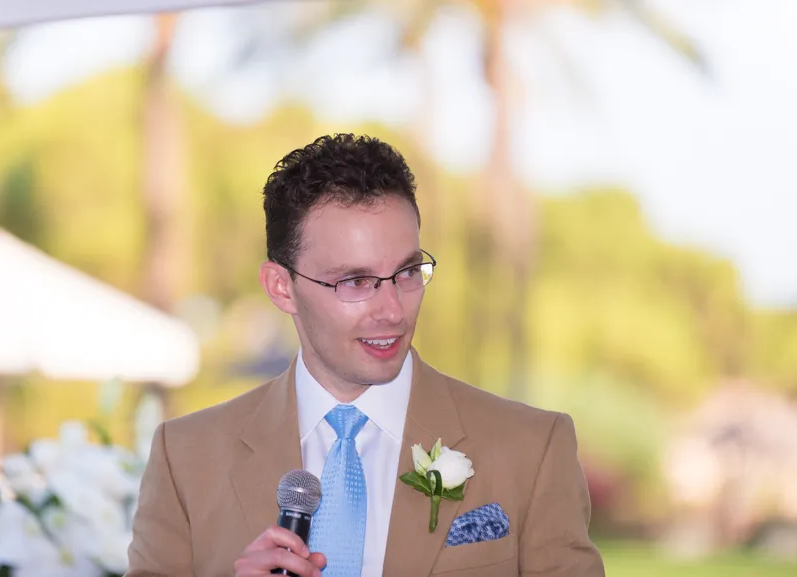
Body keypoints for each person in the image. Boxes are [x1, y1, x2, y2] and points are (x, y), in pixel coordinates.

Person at [125, 134, 605, 577]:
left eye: (408, 272)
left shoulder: (533, 448)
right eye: (355, 281)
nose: (393, 310)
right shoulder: (184, 458)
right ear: (281, 287)